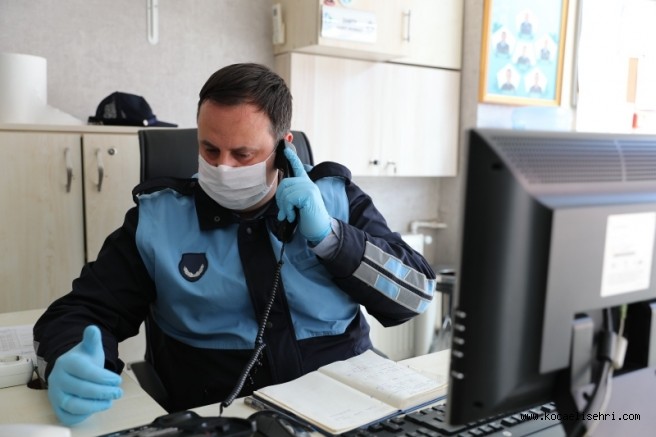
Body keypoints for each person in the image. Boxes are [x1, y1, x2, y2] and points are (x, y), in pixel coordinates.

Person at [32, 63, 436, 426]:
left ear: (284, 147)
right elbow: (82, 311)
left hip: (344, 411)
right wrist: (69, 355)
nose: (223, 168)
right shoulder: (158, 219)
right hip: (216, 418)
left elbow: (415, 294)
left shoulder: (336, 198)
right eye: (210, 149)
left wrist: (332, 238)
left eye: (243, 154)